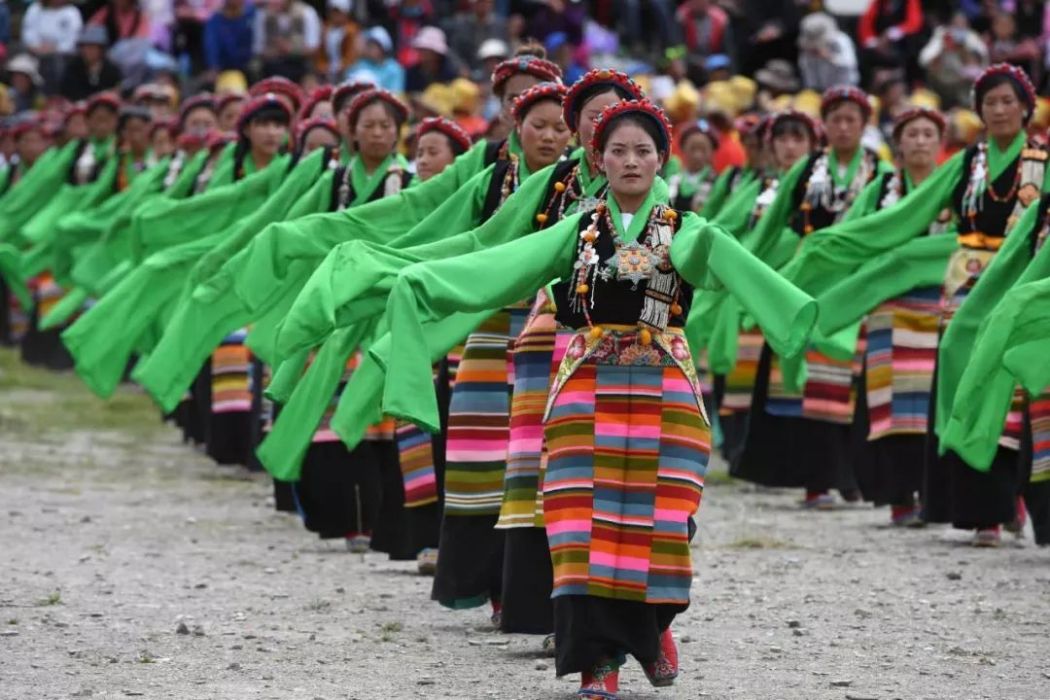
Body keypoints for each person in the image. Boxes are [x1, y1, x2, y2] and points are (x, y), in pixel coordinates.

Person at [373, 98, 813, 700]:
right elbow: (501, 265)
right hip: (585, 388)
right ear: (598, 160)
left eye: (643, 150)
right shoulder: (574, 229)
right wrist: (423, 282)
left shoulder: (685, 230)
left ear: (661, 159)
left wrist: (793, 316)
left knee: (661, 521)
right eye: (618, 150)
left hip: (664, 390)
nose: (631, 161)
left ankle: (653, 630)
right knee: (580, 525)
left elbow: (734, 269)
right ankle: (596, 665)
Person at [784, 64, 1050, 547]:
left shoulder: (1044, 160)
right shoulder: (969, 162)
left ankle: (1015, 499)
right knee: (964, 375)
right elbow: (909, 215)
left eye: (1008, 101)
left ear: (1026, 108)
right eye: (989, 102)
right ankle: (984, 512)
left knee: (1018, 393)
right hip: (968, 288)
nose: (999, 109)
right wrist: (832, 241)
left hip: (1022, 278)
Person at [732, 86, 891, 509]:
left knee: (854, 383)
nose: (842, 127)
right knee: (806, 385)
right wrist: (750, 275)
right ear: (826, 126)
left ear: (864, 125)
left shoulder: (880, 171)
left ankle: (853, 475)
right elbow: (770, 226)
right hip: (806, 280)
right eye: (835, 119)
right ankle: (815, 479)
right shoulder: (807, 170)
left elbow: (893, 224)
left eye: (851, 120)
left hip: (857, 285)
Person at [840, 107, 950, 526]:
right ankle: (901, 496)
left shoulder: (954, 185)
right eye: (912, 134)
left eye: (928, 133)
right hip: (890, 307)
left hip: (943, 303)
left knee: (938, 400)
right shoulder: (883, 186)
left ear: (940, 144)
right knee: (893, 404)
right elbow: (857, 234)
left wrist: (913, 255)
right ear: (899, 144)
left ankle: (937, 494)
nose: (921, 141)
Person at [919, 13, 988, 109]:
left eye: (962, 24)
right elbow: (924, 60)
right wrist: (943, 48)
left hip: (966, 93)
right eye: (956, 24)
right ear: (951, 25)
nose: (959, 27)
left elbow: (982, 59)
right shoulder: (942, 36)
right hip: (942, 88)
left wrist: (965, 50)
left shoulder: (971, 38)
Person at [21, 0, 83, 93]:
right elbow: (28, 33)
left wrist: (55, 49)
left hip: (62, 56)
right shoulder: (35, 9)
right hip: (35, 52)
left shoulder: (72, 12)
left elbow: (72, 41)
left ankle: (55, 95)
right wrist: (36, 47)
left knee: (54, 63)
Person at [253, 0, 321, 82]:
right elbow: (258, 49)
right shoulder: (263, 15)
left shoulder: (307, 12)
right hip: (271, 68)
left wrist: (291, 49)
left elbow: (313, 48)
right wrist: (274, 50)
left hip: (300, 66)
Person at [797, 11, 859, 91]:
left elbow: (849, 64)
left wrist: (829, 57)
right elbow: (806, 70)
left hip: (845, 88)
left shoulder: (841, 40)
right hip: (819, 89)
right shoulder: (807, 46)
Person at [667, 119, 718, 214]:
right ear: (682, 149)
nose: (697, 155)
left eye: (703, 150)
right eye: (692, 148)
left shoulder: (717, 182)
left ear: (712, 152)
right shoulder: (672, 179)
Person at [442, 0, 508, 73]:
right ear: (473, 4)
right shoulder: (462, 25)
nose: (483, 5)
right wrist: (460, 67)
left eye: (487, 2)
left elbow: (506, 50)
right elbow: (454, 51)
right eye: (480, 2)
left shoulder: (500, 25)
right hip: (468, 72)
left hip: (494, 72)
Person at [60, 26, 122, 102]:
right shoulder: (73, 67)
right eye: (84, 47)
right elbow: (68, 92)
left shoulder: (111, 69)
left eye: (92, 47)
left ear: (101, 50)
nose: (88, 51)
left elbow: (116, 90)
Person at [344, 26, 404, 93]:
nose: (369, 49)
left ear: (383, 48)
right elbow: (348, 79)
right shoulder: (361, 64)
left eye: (373, 46)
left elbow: (396, 93)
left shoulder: (394, 68)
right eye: (369, 45)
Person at [203, 0, 254, 76]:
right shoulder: (216, 20)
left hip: (247, 66)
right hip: (222, 68)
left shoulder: (250, 15)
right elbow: (211, 46)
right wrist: (214, 66)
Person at [404, 26, 457, 94]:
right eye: (422, 50)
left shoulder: (450, 74)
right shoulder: (412, 73)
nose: (424, 54)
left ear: (437, 54)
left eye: (427, 51)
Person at [316, 0, 358, 83]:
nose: (335, 16)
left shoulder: (352, 30)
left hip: (347, 71)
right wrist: (323, 67)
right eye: (333, 12)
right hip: (327, 72)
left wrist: (339, 67)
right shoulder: (325, 29)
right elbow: (320, 54)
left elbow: (352, 56)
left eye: (339, 12)